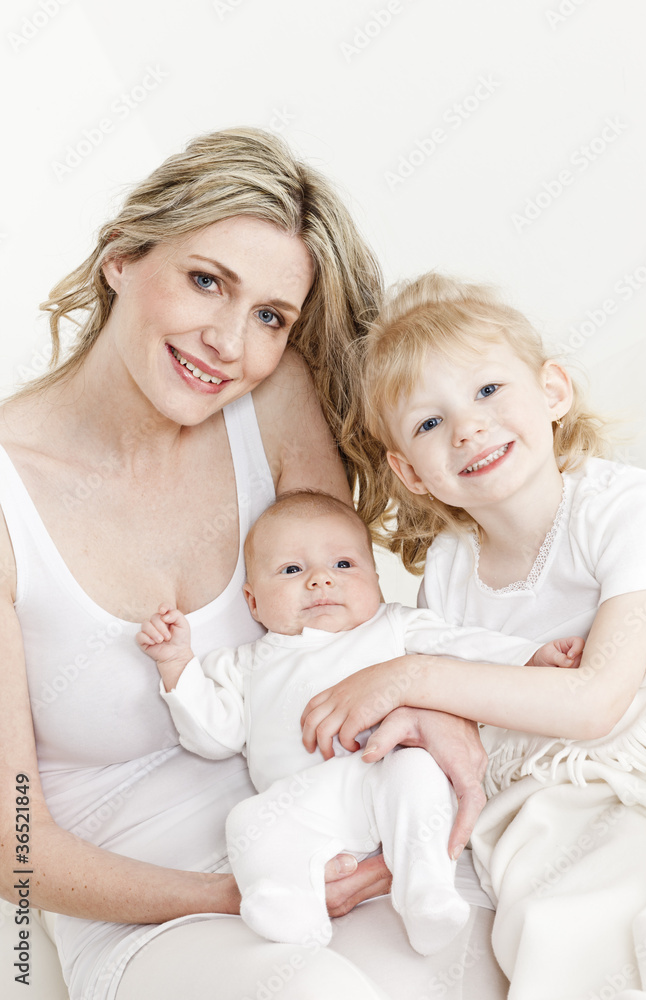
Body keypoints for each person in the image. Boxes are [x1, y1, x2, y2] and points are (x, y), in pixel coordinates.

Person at [0, 133, 505, 1000]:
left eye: (271, 316)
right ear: (122, 257)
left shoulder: (267, 402)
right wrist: (242, 893)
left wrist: (433, 710)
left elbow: (358, 622)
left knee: (530, 952)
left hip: (355, 834)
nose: (230, 343)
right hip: (163, 911)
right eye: (206, 281)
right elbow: (14, 848)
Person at [301, 272, 646, 999]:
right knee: (554, 921)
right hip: (549, 793)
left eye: (488, 391)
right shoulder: (449, 568)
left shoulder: (623, 506)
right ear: (410, 473)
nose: (467, 427)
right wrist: (405, 847)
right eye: (429, 424)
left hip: (640, 746)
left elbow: (597, 703)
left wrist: (411, 677)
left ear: (552, 392)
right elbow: (459, 736)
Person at [136, 489, 582, 957]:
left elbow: (464, 648)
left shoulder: (395, 625)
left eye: (344, 565)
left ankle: (426, 893)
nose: (321, 581)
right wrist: (177, 665)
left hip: (385, 774)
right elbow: (213, 735)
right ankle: (290, 906)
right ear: (253, 602)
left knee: (418, 770)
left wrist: (530, 657)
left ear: (376, 580)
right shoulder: (248, 663)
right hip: (305, 800)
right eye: (292, 570)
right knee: (246, 821)